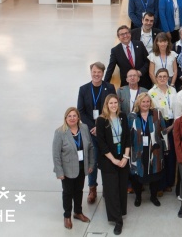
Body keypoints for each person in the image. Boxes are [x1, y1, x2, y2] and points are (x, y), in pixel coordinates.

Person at [77, 62, 115, 205]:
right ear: (91, 72)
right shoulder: (83, 89)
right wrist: (93, 127)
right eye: (94, 72)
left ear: (103, 73)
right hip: (90, 132)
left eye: (99, 72)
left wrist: (100, 126)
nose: (96, 74)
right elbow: (80, 111)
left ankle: (107, 188)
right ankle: (92, 188)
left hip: (105, 129)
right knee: (92, 159)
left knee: (106, 159)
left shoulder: (109, 87)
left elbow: (112, 107)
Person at [52, 107, 94, 229]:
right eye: (69, 116)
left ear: (78, 117)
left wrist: (91, 164)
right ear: (65, 118)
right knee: (68, 193)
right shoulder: (60, 132)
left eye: (74, 116)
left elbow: (90, 147)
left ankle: (78, 212)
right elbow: (56, 154)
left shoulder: (84, 128)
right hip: (67, 169)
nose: (72, 118)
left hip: (82, 166)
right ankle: (67, 216)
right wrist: (59, 172)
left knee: (79, 190)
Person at [96, 94, 131, 235]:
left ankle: (120, 212)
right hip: (108, 159)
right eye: (110, 103)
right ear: (106, 105)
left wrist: (126, 157)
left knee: (122, 188)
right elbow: (101, 143)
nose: (113, 105)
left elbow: (127, 137)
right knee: (111, 190)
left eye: (115, 102)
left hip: (122, 156)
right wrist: (113, 160)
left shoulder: (122, 116)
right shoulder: (101, 120)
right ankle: (117, 221)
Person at [127, 93, 165, 209]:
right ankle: (138, 197)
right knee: (136, 176)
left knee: (155, 175)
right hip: (137, 151)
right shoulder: (132, 116)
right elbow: (127, 135)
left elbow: (163, 131)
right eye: (143, 102)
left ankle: (153, 197)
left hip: (154, 151)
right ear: (138, 103)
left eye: (148, 101)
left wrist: (166, 148)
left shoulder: (157, 114)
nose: (146, 104)